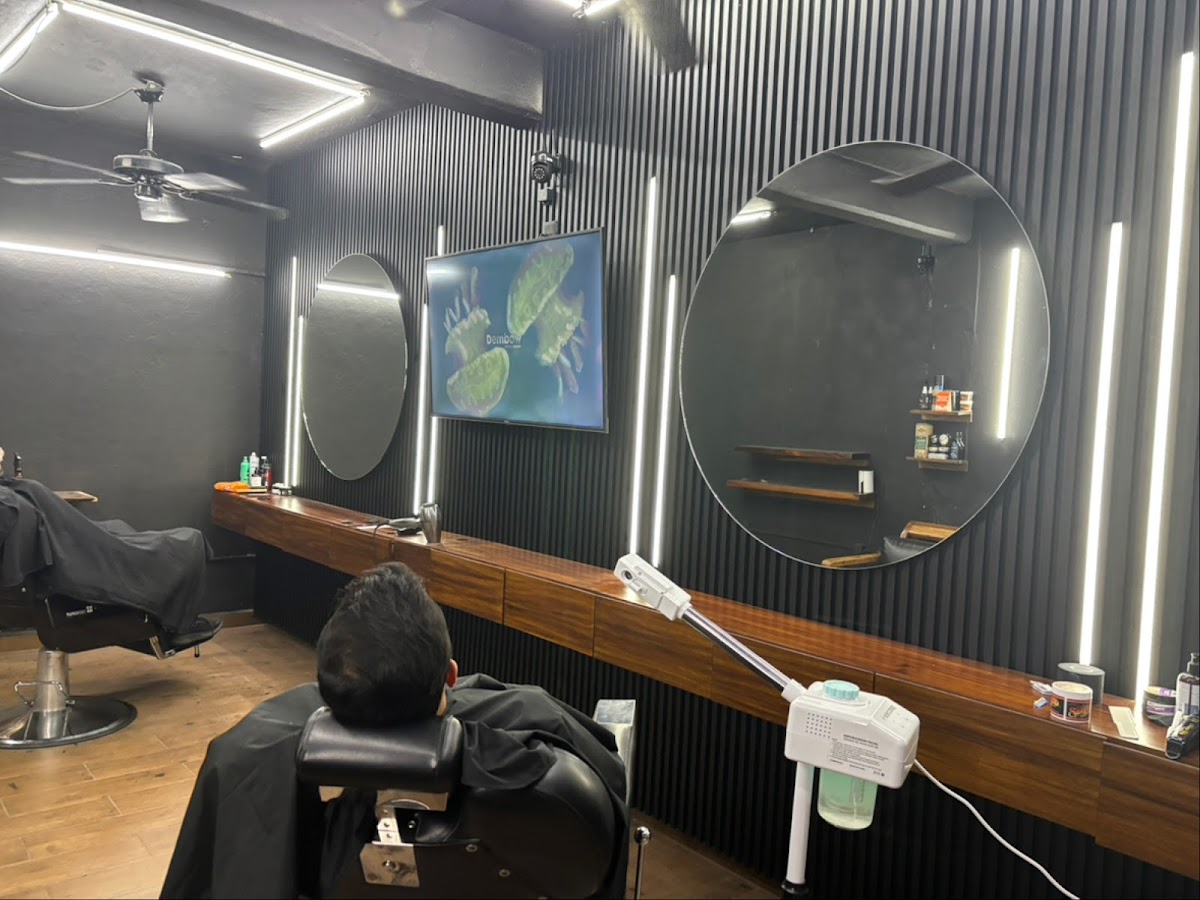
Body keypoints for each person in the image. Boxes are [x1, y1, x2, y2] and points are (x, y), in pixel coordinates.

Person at [162, 561, 629, 899]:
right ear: (451, 675)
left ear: (328, 689)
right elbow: (609, 783)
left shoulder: (248, 752)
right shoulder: (535, 720)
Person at [0, 447, 219, 647]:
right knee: (189, 541)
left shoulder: (13, 497)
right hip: (82, 554)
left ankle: (175, 619)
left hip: (81, 543)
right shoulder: (10, 504)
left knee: (119, 528)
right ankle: (178, 623)